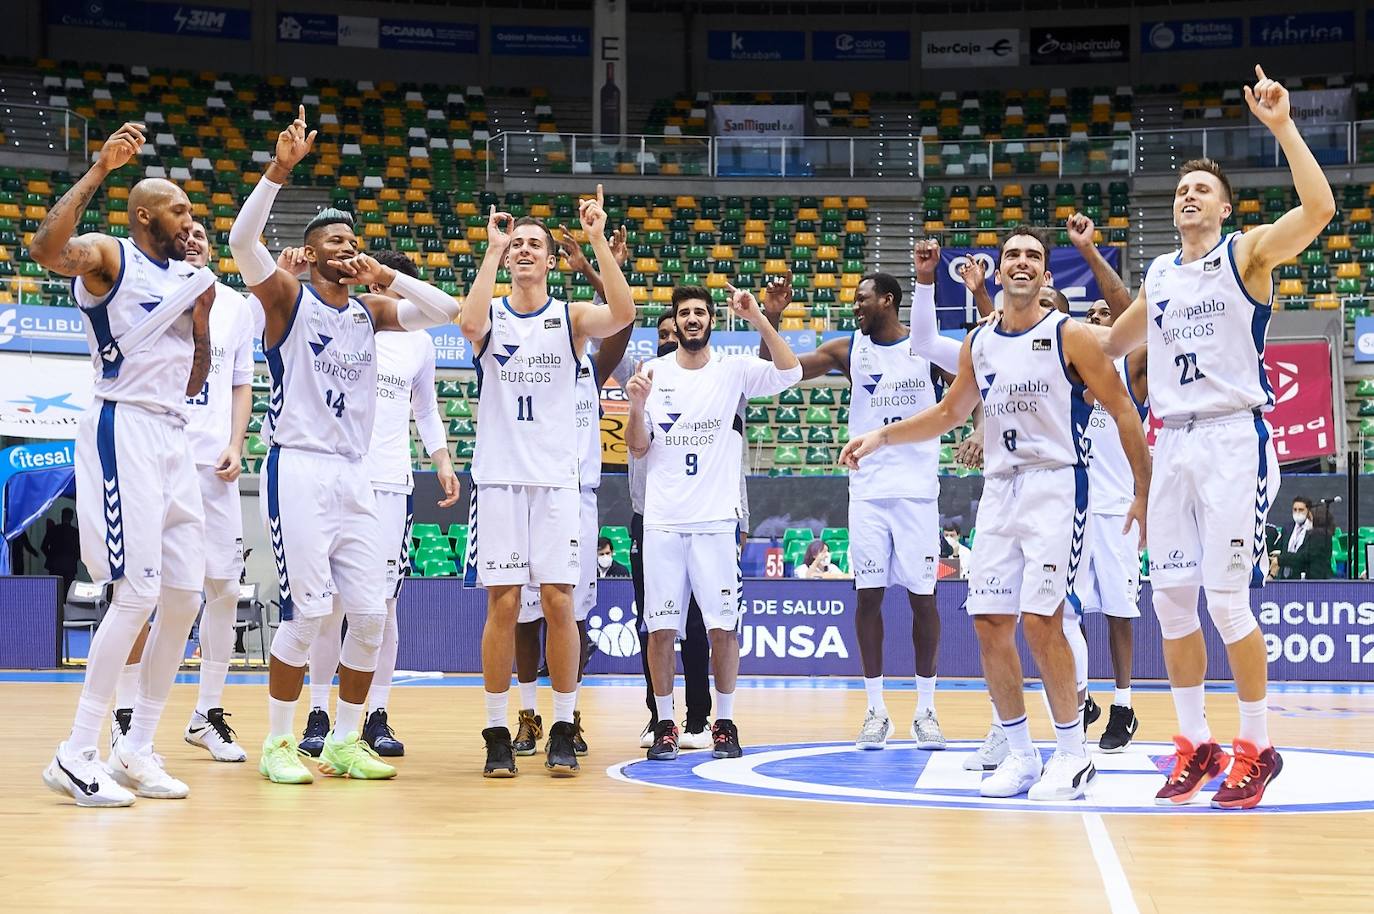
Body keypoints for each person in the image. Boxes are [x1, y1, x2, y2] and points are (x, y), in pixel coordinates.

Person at [1099, 67, 1334, 809]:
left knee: (1228, 602)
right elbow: (1107, 345)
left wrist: (1282, 128)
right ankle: (1196, 743)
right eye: (1180, 192)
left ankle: (1258, 747)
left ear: (1225, 208)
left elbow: (1321, 207)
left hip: (1234, 437)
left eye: (1201, 190)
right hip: (1173, 445)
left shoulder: (1248, 253)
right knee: (1171, 602)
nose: (1187, 196)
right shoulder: (1162, 275)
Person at [847, 226, 1151, 801]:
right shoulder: (980, 341)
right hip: (999, 490)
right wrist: (881, 436)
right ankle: (1019, 753)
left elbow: (1124, 410)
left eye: (1033, 256)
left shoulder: (1073, 336)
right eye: (1012, 254)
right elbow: (948, 412)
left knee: (1041, 621)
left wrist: (1142, 490)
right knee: (989, 622)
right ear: (1001, 266)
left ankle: (1072, 754)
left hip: (1059, 486)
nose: (1021, 263)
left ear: (1045, 274)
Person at [230, 106, 468, 785]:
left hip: (359, 472)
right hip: (300, 466)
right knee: (309, 612)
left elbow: (448, 312)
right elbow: (243, 241)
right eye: (333, 239)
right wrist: (279, 171)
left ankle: (343, 737)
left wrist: (385, 276)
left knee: (368, 616)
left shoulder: (372, 310)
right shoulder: (285, 299)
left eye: (351, 239)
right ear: (311, 251)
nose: (344, 246)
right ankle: (279, 742)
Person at [34, 122, 218, 806]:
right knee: (136, 594)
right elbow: (45, 247)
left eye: (193, 215)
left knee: (183, 597)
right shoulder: (111, 256)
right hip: (124, 427)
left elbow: (196, 380)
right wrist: (100, 170)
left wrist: (200, 319)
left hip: (175, 435)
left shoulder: (188, 282)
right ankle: (76, 749)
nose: (190, 223)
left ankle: (135, 746)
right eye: (179, 211)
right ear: (145, 215)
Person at [457, 186, 635, 778]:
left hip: (558, 482)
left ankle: (562, 725)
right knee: (504, 606)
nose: (527, 250)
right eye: (519, 244)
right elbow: (469, 322)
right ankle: (495, 729)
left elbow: (624, 313)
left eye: (536, 243)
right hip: (502, 480)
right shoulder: (493, 312)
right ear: (510, 257)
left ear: (551, 260)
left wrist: (594, 239)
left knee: (560, 604)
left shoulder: (569, 318)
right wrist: (491, 249)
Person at [759, 258, 949, 751]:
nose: (855, 305)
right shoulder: (848, 348)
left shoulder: (926, 348)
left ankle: (926, 709)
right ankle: (875, 710)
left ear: (887, 299)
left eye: (862, 297)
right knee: (868, 597)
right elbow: (780, 373)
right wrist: (772, 317)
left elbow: (983, 377)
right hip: (866, 491)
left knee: (923, 598)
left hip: (917, 491)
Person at [627, 284, 801, 762]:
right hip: (663, 522)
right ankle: (665, 724)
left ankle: (723, 723)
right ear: (675, 323)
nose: (691, 319)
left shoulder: (734, 371)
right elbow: (638, 448)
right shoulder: (652, 372)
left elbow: (792, 371)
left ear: (711, 321)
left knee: (723, 629)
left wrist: (759, 317)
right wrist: (637, 405)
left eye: (700, 312)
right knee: (660, 630)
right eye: (684, 313)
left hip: (716, 523)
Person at [300, 248, 461, 759]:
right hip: (340, 475)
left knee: (384, 607)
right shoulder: (347, 328)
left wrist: (442, 459)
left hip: (392, 485)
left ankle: (377, 713)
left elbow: (428, 409)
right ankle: (319, 711)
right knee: (329, 607)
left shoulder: (418, 346)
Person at [107, 219, 257, 764]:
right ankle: (126, 717)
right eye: (184, 230)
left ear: (212, 248)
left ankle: (206, 713)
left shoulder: (236, 308)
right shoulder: (145, 287)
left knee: (223, 591)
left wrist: (237, 444)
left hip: (212, 469)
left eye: (201, 233)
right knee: (145, 592)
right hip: (154, 453)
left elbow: (241, 383)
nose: (193, 238)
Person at [510, 224, 632, 760]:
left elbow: (620, 320)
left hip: (577, 496)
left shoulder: (591, 363)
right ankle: (527, 714)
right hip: (528, 485)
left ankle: (568, 711)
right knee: (523, 615)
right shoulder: (530, 354)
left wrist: (600, 266)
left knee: (573, 614)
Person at [623, 310, 722, 751]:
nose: (669, 338)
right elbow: (616, 328)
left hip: (703, 515)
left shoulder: (709, 384)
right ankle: (658, 717)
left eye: (673, 332)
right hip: (650, 518)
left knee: (700, 625)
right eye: (662, 333)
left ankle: (699, 717)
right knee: (654, 624)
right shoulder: (643, 382)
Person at [1071, 292, 1150, 753]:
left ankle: (1124, 705)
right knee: (1073, 612)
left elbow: (1145, 327)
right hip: (1075, 506)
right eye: (1091, 315)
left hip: (1120, 508)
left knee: (1121, 612)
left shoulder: (1133, 370)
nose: (1097, 319)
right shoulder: (1069, 370)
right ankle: (1082, 698)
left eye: (1106, 315)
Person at [1274, 496, 1333, 581]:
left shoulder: (1317, 533)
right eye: (1295, 509)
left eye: (1301, 510)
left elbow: (1305, 556)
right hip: (1286, 577)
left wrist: (1281, 559)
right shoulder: (1287, 528)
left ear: (1308, 511)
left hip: (1308, 578)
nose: (1297, 513)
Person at [42, 507, 81, 596]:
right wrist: (75, 558)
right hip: (70, 566)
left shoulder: (53, 530)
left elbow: (43, 547)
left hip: (54, 566)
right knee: (68, 592)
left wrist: (51, 557)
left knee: (54, 592)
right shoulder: (75, 532)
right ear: (71, 518)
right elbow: (80, 550)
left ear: (62, 516)